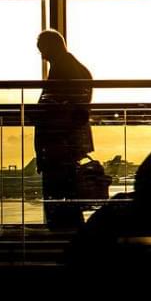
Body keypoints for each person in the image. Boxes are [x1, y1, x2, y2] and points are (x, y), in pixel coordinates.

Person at [32, 29, 94, 230]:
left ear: (53, 47)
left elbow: (64, 112)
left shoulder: (64, 71)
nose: (42, 55)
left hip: (58, 147)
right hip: (65, 146)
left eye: (43, 50)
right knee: (68, 204)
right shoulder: (77, 69)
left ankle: (64, 244)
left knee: (59, 204)